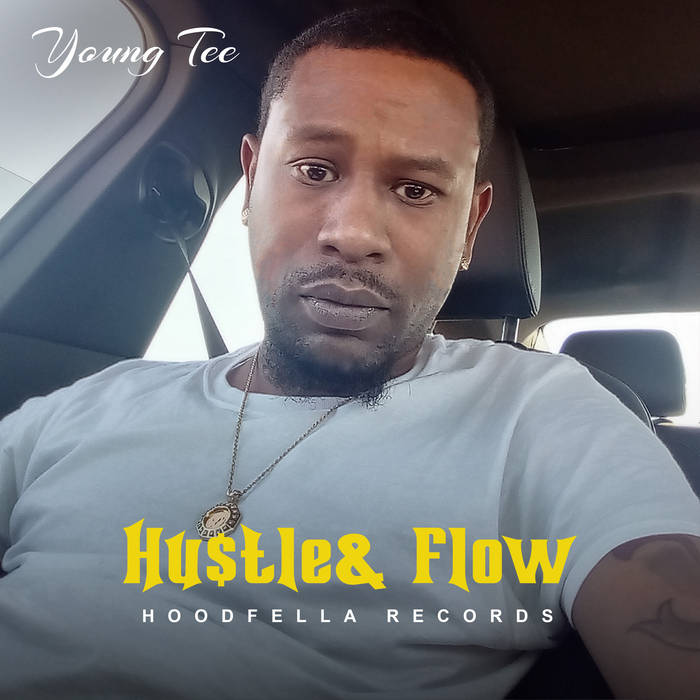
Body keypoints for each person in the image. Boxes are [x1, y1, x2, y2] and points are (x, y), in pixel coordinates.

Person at [1, 6, 699, 700]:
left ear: (469, 228)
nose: (354, 233)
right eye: (313, 169)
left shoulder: (542, 414)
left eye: (416, 189)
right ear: (251, 179)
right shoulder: (95, 402)